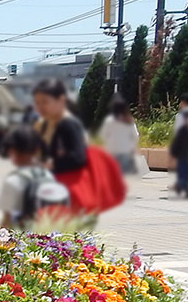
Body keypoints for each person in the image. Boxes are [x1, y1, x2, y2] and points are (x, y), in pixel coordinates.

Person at [33, 78, 127, 218]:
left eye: (45, 102)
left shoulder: (68, 124)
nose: (40, 107)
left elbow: (78, 157)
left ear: (61, 100)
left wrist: (52, 164)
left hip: (69, 191)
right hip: (56, 189)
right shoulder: (48, 124)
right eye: (37, 103)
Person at [0, 125, 70, 229]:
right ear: (37, 150)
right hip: (49, 238)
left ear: (12, 150)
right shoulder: (47, 175)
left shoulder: (13, 181)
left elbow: (6, 222)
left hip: (24, 240)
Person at [98, 97, 141, 175]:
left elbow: (102, 136)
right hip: (126, 153)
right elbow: (136, 136)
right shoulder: (129, 121)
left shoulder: (109, 121)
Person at [169, 111, 188, 199]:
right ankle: (186, 191)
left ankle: (180, 186)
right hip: (183, 156)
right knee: (184, 174)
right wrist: (173, 155)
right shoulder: (182, 130)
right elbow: (176, 143)